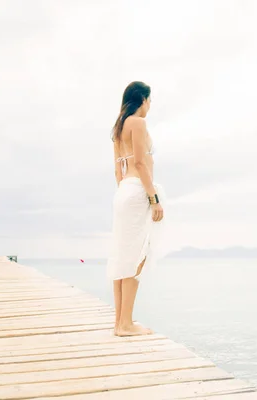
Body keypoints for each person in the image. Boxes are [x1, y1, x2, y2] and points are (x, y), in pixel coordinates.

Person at [107, 81, 165, 336]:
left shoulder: (118, 127)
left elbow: (117, 169)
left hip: (123, 192)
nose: (150, 105)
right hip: (137, 191)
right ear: (142, 99)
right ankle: (126, 324)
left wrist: (125, 190)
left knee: (123, 255)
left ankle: (120, 322)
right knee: (136, 256)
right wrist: (154, 199)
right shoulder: (138, 123)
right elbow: (140, 164)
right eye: (150, 100)